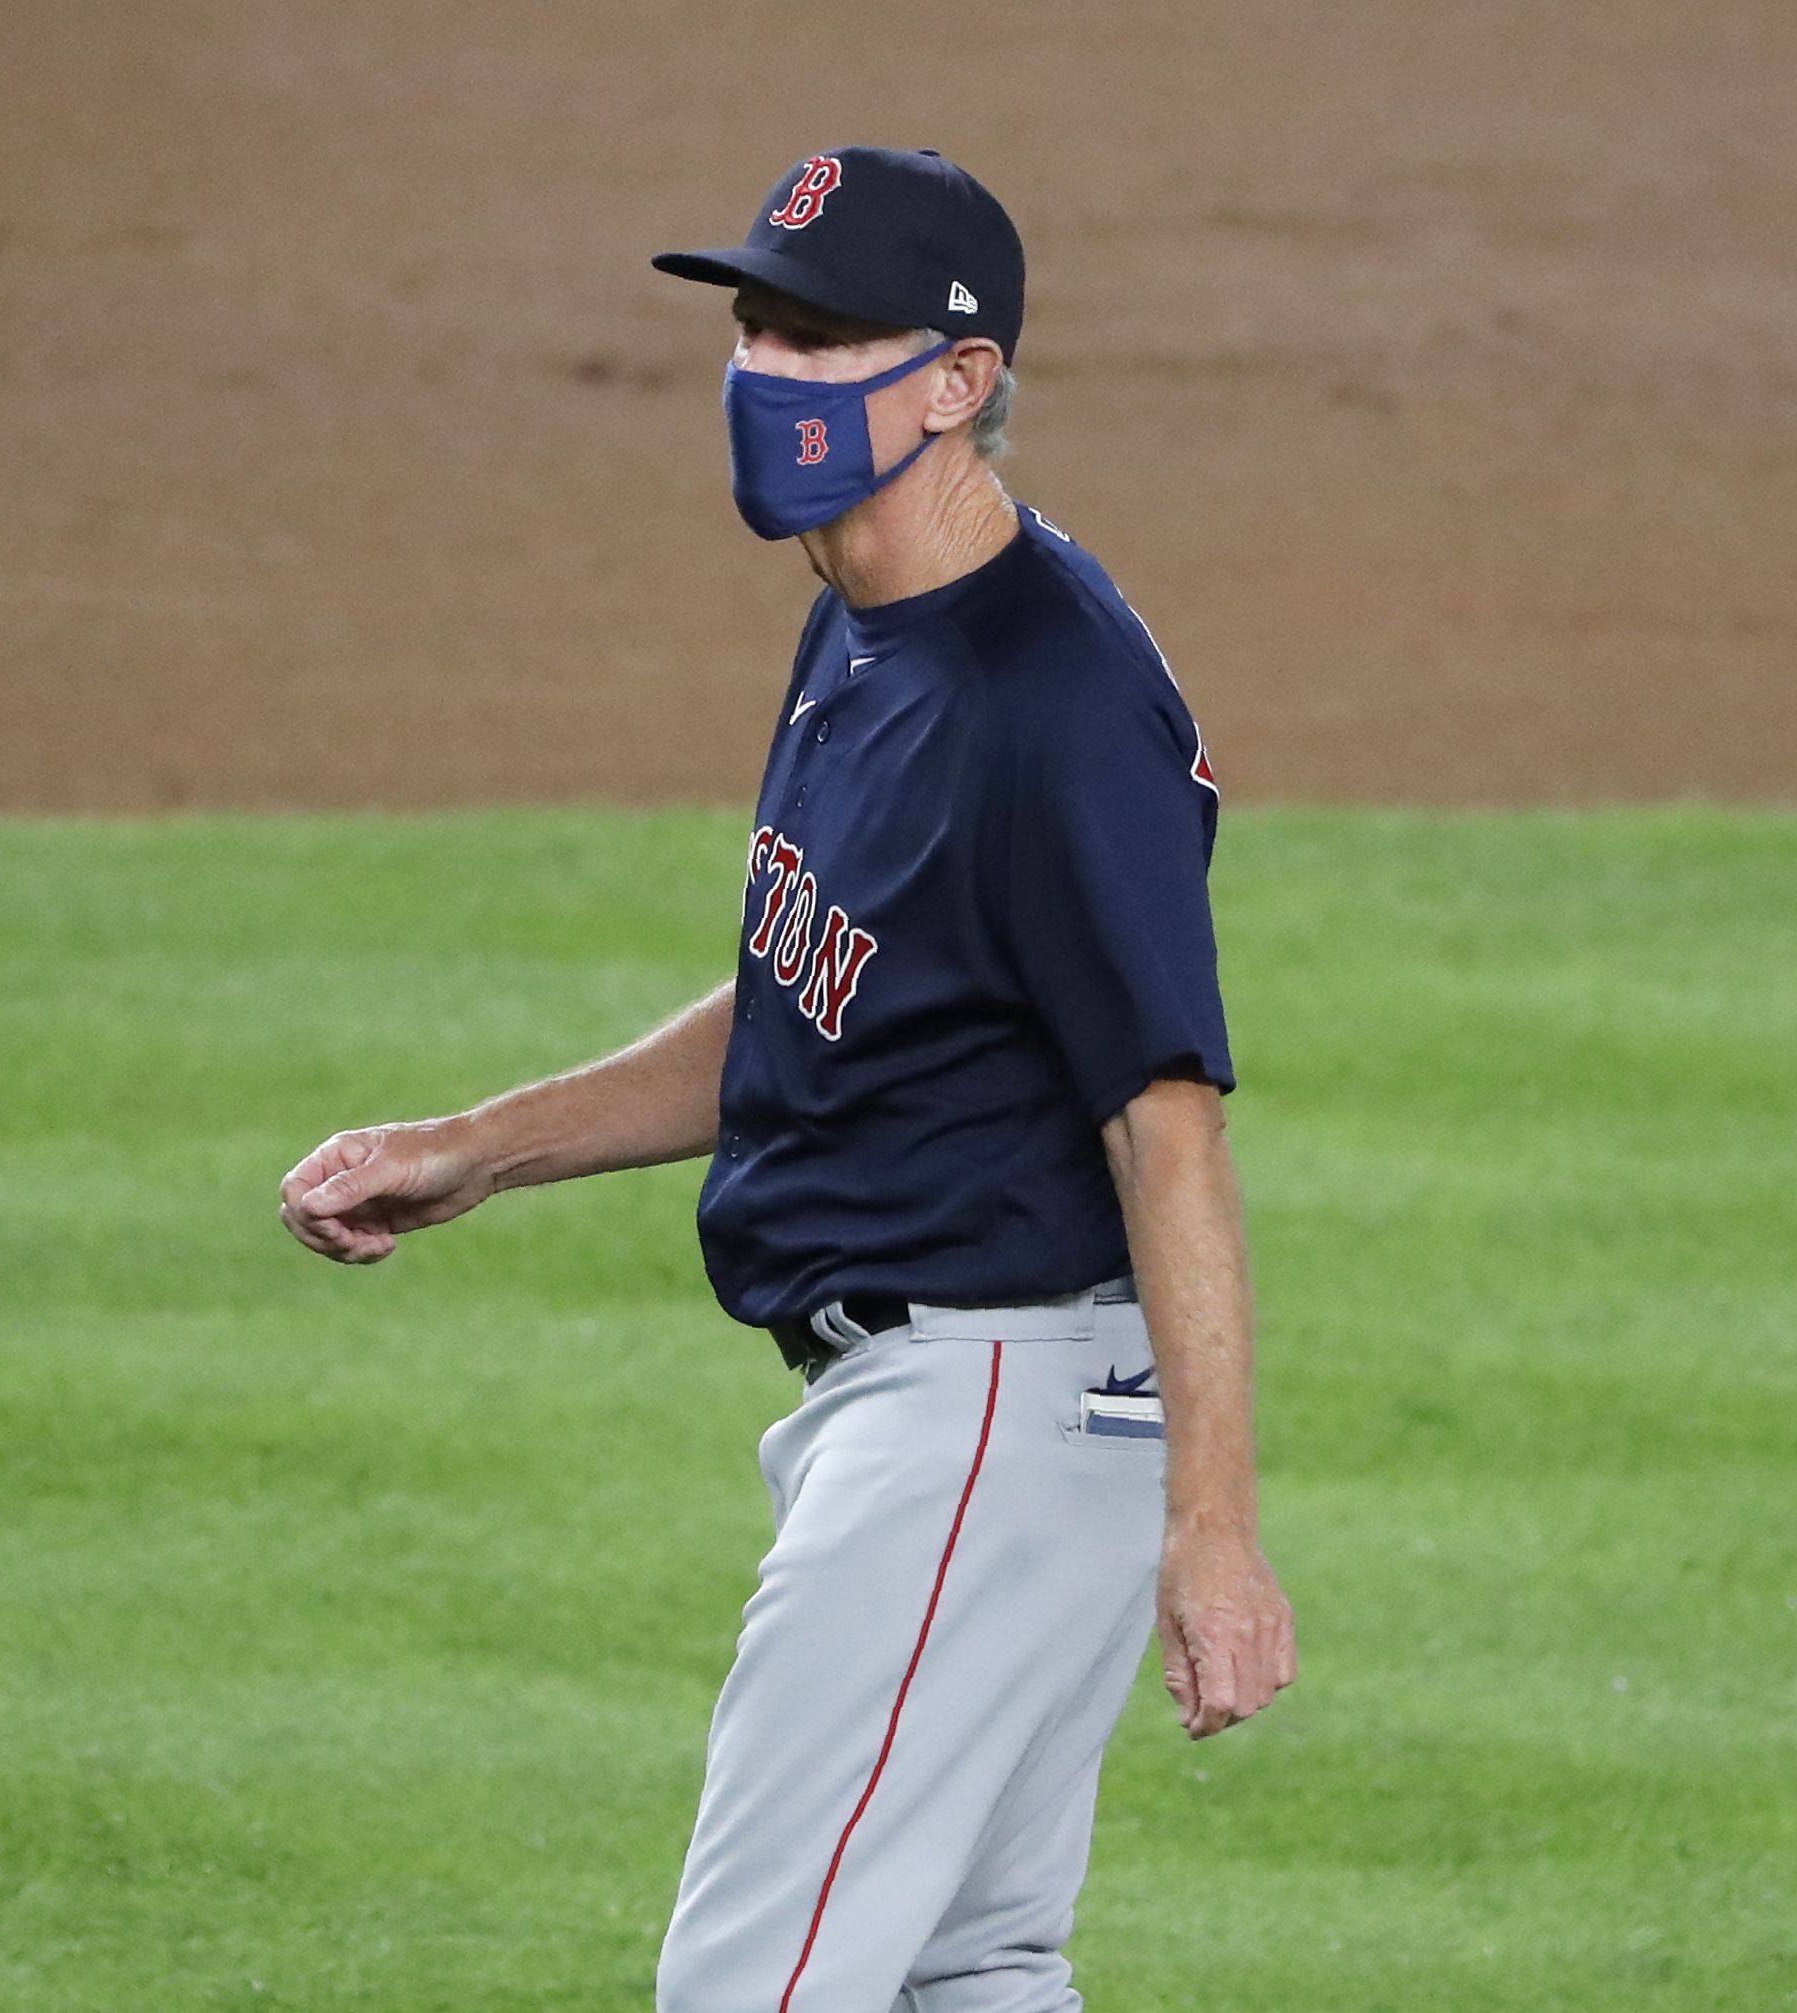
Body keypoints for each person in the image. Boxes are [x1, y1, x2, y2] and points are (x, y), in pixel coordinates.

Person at [279, 143, 1296, 2013]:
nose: (773, 371)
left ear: (961, 381)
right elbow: (800, 1004)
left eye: (829, 338)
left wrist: (1216, 1533)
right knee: (970, 1969)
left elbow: (1169, 1122)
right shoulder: (862, 616)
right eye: (758, 323)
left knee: (755, 1988)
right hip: (965, 1409)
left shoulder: (1052, 706)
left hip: (985, 1407)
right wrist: (482, 1151)